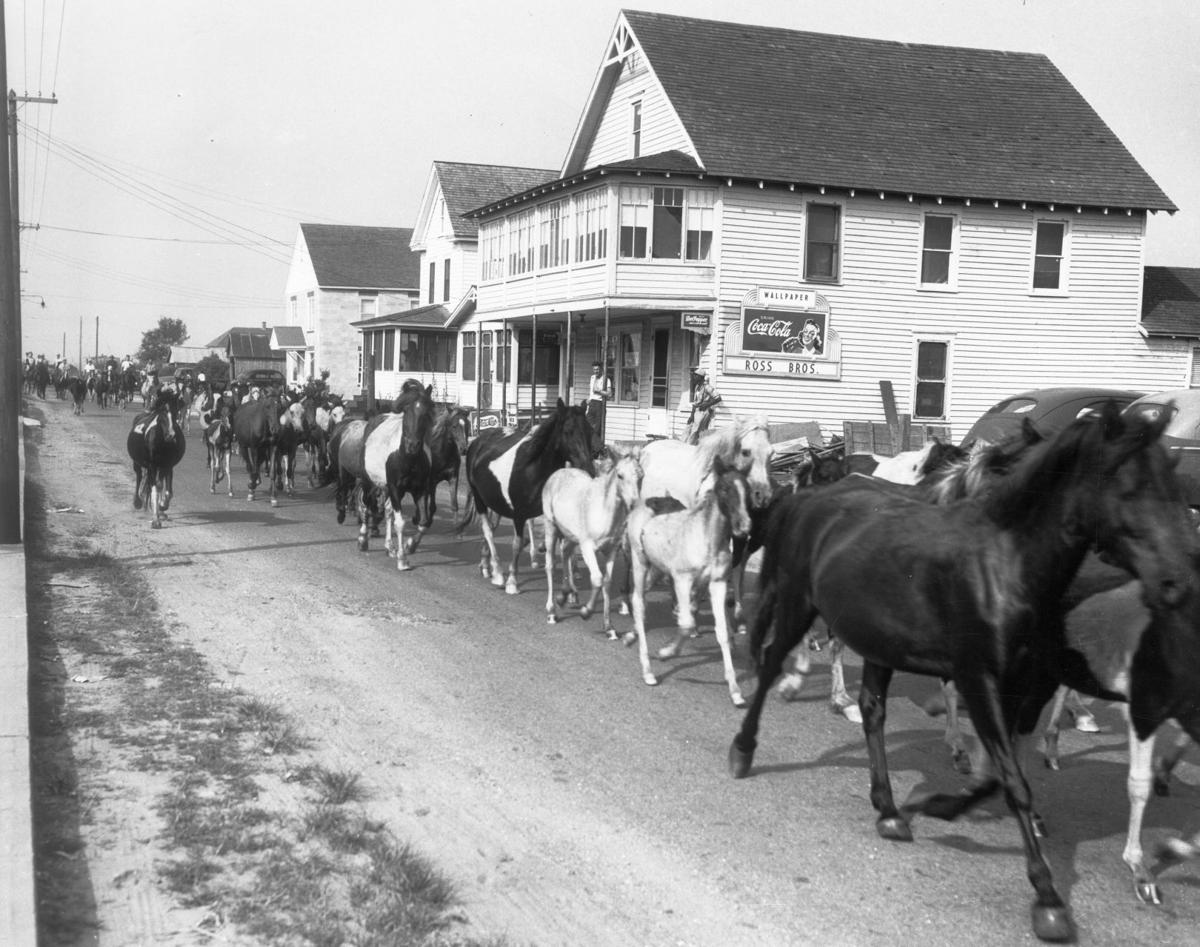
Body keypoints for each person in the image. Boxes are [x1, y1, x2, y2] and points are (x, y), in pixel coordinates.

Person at [685, 367, 721, 444]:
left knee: (696, 431)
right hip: (697, 412)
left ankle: (690, 446)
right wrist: (691, 416)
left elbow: (718, 398)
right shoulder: (697, 387)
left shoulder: (707, 387)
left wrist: (707, 405)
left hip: (703, 412)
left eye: (695, 376)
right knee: (693, 430)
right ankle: (694, 447)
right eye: (694, 375)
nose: (694, 377)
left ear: (700, 377)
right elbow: (695, 403)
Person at [585, 360, 611, 438]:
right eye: (594, 369)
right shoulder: (592, 377)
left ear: (601, 369)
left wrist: (599, 391)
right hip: (592, 404)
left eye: (597, 369)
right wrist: (589, 398)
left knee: (597, 428)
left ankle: (597, 448)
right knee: (587, 425)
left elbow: (609, 394)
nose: (595, 371)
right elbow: (591, 391)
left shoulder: (606, 379)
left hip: (600, 404)